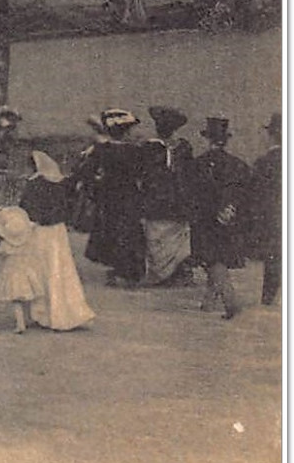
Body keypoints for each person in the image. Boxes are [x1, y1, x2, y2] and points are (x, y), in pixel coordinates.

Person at [17, 151, 95, 330]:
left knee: (41, 269)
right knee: (60, 268)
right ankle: (65, 312)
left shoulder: (33, 184)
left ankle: (43, 313)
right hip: (58, 232)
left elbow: (26, 210)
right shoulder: (59, 182)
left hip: (41, 232)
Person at [190, 117, 251, 321]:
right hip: (229, 220)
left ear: (207, 139)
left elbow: (194, 194)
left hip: (205, 220)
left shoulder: (198, 164)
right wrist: (230, 209)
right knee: (217, 258)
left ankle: (230, 300)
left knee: (213, 260)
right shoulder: (238, 164)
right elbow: (243, 193)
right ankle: (209, 301)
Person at [79, 109, 147, 286]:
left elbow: (87, 171)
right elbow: (143, 173)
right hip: (129, 196)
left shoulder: (102, 150)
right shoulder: (135, 151)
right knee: (128, 231)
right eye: (130, 130)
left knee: (113, 230)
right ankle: (128, 272)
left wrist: (95, 187)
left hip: (109, 196)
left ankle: (119, 269)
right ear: (124, 132)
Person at [140, 106, 194, 286]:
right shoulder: (182, 147)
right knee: (171, 237)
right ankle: (175, 274)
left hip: (159, 200)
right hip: (175, 200)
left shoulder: (149, 148)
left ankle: (163, 274)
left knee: (158, 238)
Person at [0, 199, 43, 333]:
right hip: (27, 273)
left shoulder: (7, 245)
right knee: (27, 297)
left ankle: (20, 324)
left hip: (13, 274)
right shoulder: (28, 242)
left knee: (16, 300)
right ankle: (29, 319)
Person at [253, 113, 281, 307]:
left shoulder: (264, 162)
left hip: (273, 218)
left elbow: (258, 196)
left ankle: (268, 300)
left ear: (271, 135)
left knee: (273, 259)